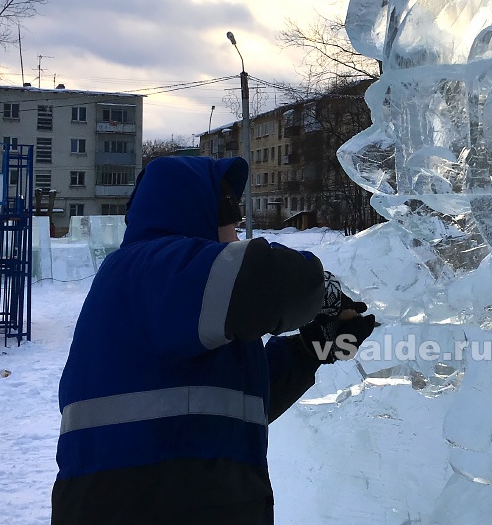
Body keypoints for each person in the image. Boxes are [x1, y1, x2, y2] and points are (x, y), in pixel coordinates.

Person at [52, 155, 376, 525]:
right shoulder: (151, 268)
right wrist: (324, 290)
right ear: (199, 215)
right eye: (233, 227)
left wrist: (315, 349)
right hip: (138, 501)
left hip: (170, 495)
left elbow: (239, 404)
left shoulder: (192, 306)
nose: (238, 240)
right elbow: (278, 280)